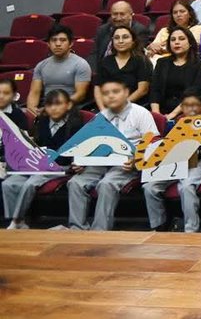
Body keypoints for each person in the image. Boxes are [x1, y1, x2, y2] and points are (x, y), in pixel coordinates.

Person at [66, 79, 158, 231]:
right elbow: (87, 146)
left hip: (127, 164)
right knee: (75, 182)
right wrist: (80, 162)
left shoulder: (141, 113)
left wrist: (137, 160)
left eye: (115, 92)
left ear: (126, 93)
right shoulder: (101, 116)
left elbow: (153, 143)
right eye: (106, 93)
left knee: (106, 184)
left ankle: (100, 230)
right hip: (99, 163)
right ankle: (77, 229)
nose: (110, 96)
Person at [2, 89, 82, 229]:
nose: (53, 108)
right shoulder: (42, 122)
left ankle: (17, 221)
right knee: (9, 183)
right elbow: (36, 146)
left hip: (60, 167)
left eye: (58, 104)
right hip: (37, 165)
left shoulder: (76, 125)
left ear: (68, 105)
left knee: (30, 183)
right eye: (49, 105)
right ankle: (18, 221)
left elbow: (74, 154)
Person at [142, 92, 201, 233]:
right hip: (175, 163)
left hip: (198, 163)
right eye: (186, 105)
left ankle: (190, 229)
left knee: (186, 187)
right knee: (149, 187)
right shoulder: (174, 124)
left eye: (194, 105)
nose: (191, 109)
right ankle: (159, 225)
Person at [28, 24, 91, 114]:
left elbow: (80, 94)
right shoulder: (41, 65)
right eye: (54, 40)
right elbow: (34, 92)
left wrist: (55, 106)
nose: (58, 44)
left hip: (70, 109)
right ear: (48, 44)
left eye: (63, 40)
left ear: (71, 44)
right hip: (46, 108)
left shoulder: (81, 64)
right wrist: (32, 111)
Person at [149, 27, 201, 119]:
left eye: (181, 39)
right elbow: (155, 90)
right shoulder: (162, 63)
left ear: (190, 43)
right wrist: (157, 114)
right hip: (162, 109)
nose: (176, 42)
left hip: (187, 111)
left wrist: (172, 115)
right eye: (173, 40)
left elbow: (194, 93)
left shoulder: (200, 64)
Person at [93, 25, 151, 106]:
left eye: (125, 37)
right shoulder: (105, 61)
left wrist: (120, 106)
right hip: (107, 106)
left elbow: (142, 90)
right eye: (116, 38)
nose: (120, 41)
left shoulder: (142, 61)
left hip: (133, 106)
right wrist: (102, 109)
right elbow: (97, 88)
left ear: (133, 41)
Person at [91, 0, 152, 69]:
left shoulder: (140, 30)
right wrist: (92, 71)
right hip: (102, 68)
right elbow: (94, 53)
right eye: (115, 14)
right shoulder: (103, 29)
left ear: (130, 15)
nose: (118, 18)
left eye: (122, 14)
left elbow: (135, 55)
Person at [146, 0, 201, 64]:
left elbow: (188, 47)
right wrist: (152, 47)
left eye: (182, 11)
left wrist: (162, 47)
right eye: (175, 12)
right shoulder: (164, 30)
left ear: (190, 14)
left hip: (183, 62)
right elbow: (153, 47)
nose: (178, 15)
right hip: (158, 60)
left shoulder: (198, 29)